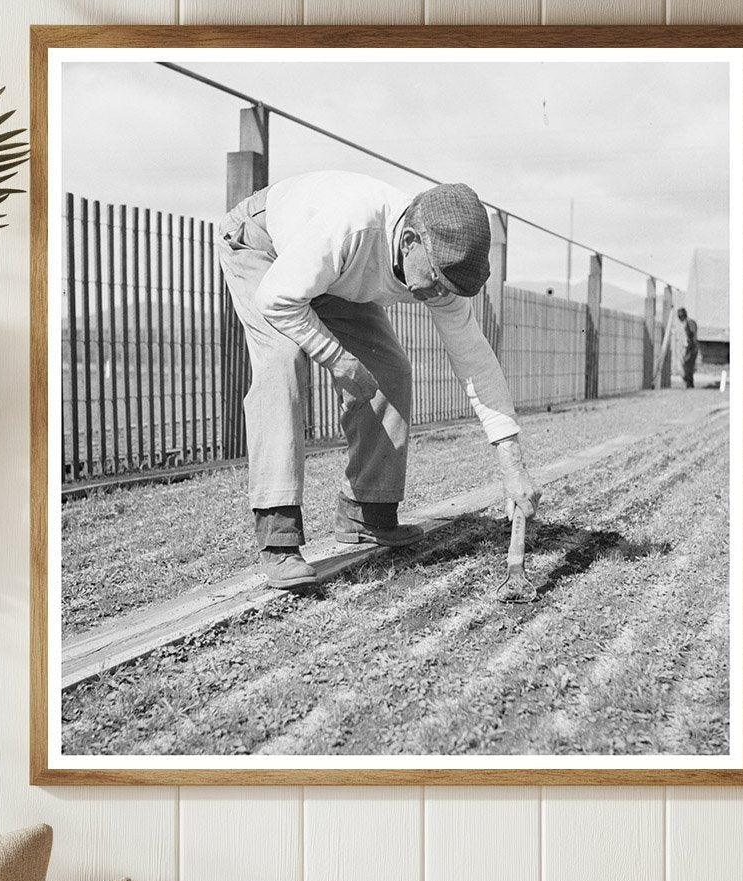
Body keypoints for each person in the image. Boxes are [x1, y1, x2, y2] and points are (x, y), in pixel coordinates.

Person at [217, 170, 541, 590]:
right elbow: (277, 299)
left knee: (389, 369)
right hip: (262, 245)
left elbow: (475, 361)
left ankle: (365, 513)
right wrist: (336, 358)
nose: (437, 293)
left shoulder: (437, 266)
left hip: (327, 273)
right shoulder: (350, 226)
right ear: (410, 242)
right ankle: (278, 538)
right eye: (436, 280)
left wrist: (512, 466)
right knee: (283, 362)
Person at [677, 306, 699, 388]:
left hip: (692, 347)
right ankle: (689, 384)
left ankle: (689, 384)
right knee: (687, 366)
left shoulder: (689, 323)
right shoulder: (687, 323)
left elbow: (692, 336)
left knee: (687, 366)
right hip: (690, 347)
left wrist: (690, 347)